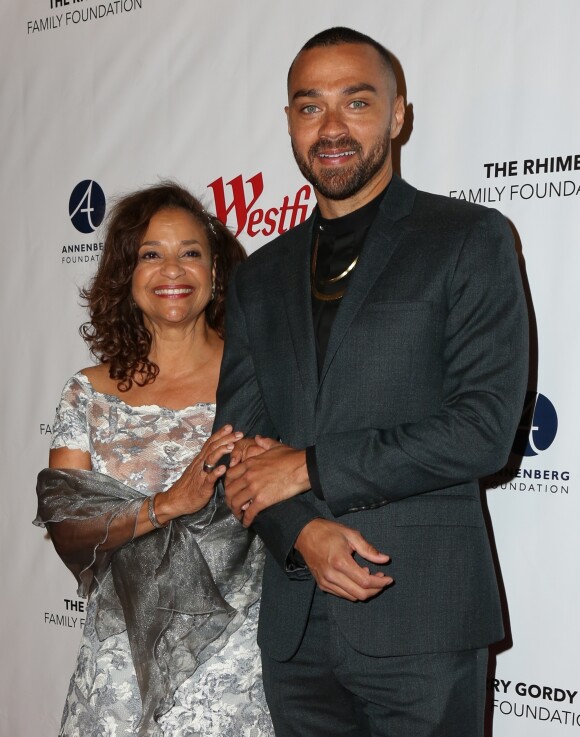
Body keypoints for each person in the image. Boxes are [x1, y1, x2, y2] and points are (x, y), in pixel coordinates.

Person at [214, 27, 529, 737]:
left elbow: (484, 428)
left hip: (424, 616)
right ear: (289, 122)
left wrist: (314, 466)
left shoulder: (468, 238)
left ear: (397, 114)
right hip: (297, 632)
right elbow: (235, 448)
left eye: (356, 102)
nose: (331, 127)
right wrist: (302, 535)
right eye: (308, 106)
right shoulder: (258, 277)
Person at [34, 182, 274, 737]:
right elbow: (69, 531)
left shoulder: (258, 379)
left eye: (191, 252)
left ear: (216, 273)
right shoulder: (88, 392)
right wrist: (167, 504)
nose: (173, 269)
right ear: (128, 276)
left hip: (234, 662)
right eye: (151, 254)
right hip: (118, 665)